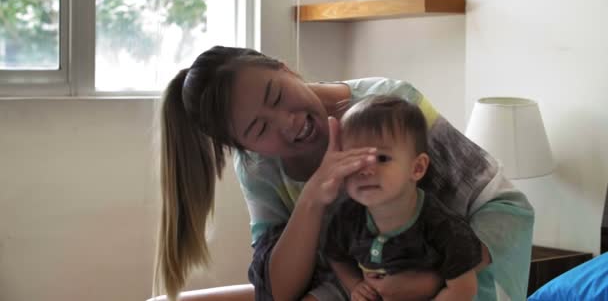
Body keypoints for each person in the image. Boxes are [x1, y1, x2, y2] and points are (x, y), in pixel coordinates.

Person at [153, 46, 534, 301]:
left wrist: (432, 283)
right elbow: (279, 289)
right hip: (361, 274)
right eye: (259, 130)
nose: (288, 123)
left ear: (285, 69)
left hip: (471, 245)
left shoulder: (389, 106)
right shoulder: (259, 167)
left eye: (277, 95)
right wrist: (316, 193)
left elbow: (483, 209)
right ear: (247, 147)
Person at [324, 95, 482, 301]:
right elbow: (336, 256)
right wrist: (354, 284)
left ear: (417, 168)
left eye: (381, 158)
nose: (364, 170)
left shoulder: (442, 227)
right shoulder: (347, 216)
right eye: (354, 159)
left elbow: (463, 289)